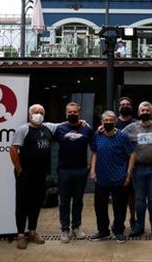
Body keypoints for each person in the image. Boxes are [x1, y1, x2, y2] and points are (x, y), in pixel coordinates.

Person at [9, 104, 56, 249]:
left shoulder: (48, 127)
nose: (39, 114)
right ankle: (21, 235)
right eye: (36, 112)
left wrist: (82, 122)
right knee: (22, 204)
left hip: (41, 174)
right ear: (30, 114)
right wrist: (19, 169)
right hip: (25, 174)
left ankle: (33, 231)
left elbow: (65, 124)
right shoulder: (23, 129)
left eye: (41, 112)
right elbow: (13, 149)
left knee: (36, 204)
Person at [89, 111, 134, 243]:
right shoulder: (97, 135)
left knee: (119, 206)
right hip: (101, 177)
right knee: (100, 206)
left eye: (111, 120)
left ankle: (118, 231)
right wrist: (92, 170)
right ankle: (103, 231)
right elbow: (94, 152)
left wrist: (128, 174)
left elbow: (132, 155)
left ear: (115, 122)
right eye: (105, 120)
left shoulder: (122, 136)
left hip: (119, 177)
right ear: (102, 122)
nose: (108, 122)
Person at [122, 101, 152, 237]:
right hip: (138, 168)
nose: (145, 113)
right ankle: (139, 226)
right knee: (140, 199)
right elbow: (116, 135)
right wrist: (102, 129)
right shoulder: (130, 128)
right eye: (143, 110)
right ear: (138, 112)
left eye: (148, 110)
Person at [53, 102, 94, 243]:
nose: (72, 114)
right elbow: (41, 125)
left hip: (80, 170)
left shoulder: (86, 129)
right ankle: (64, 229)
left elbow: (94, 148)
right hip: (64, 170)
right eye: (69, 112)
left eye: (74, 112)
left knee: (78, 201)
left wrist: (90, 165)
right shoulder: (59, 128)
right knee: (64, 201)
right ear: (66, 113)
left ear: (79, 113)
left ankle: (76, 227)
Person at [116, 96, 137, 229]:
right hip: (117, 164)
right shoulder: (113, 123)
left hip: (134, 164)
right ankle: (119, 222)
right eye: (122, 104)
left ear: (131, 107)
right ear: (119, 107)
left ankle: (133, 219)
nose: (125, 106)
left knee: (132, 196)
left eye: (127, 104)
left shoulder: (136, 123)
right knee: (119, 196)